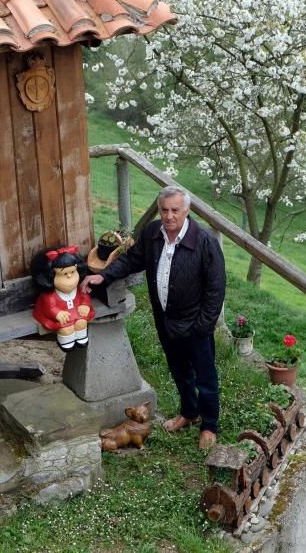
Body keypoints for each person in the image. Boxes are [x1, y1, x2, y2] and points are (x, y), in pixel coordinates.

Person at [84, 185, 225, 450]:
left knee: (205, 378)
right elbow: (132, 260)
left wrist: (202, 327)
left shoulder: (205, 243)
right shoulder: (152, 234)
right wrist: (105, 275)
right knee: (180, 372)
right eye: (164, 210)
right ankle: (189, 412)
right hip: (166, 320)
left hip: (196, 324)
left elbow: (216, 290)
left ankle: (209, 426)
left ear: (187, 211)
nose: (169, 216)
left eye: (175, 210)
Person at [30, 245, 95, 352]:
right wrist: (57, 313)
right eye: (64, 273)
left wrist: (85, 304)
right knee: (66, 329)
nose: (69, 276)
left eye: (73, 272)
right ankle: (67, 342)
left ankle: (81, 338)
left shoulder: (78, 288)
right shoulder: (50, 294)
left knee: (82, 323)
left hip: (76, 312)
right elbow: (49, 308)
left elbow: (84, 296)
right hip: (59, 317)